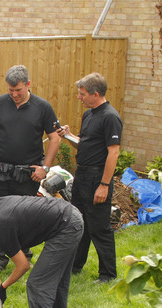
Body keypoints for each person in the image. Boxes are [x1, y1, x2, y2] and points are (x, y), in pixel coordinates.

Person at [0, 64, 62, 272]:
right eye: (10, 91)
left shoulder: (43, 107)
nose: (14, 95)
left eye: (18, 90)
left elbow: (55, 138)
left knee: (25, 216)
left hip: (27, 175)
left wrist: (45, 168)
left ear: (28, 85)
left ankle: (24, 256)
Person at [56, 72, 122, 283]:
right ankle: (76, 265)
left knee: (99, 227)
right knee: (79, 222)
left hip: (97, 177)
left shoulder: (110, 117)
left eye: (82, 94)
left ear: (95, 94)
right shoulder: (89, 115)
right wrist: (68, 135)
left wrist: (104, 185)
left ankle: (108, 274)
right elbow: (84, 143)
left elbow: (113, 152)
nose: (79, 97)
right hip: (82, 174)